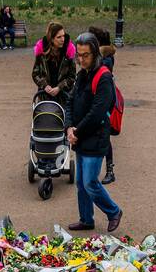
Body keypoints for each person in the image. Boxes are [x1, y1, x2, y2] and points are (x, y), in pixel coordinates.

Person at [67, 32, 121, 233]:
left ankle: (113, 211)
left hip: (95, 138)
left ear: (95, 53)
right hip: (80, 137)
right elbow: (70, 101)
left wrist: (76, 131)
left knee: (90, 182)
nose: (81, 59)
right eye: (78, 55)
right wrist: (68, 126)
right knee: (81, 183)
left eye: (85, 55)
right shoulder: (82, 74)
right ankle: (86, 219)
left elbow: (97, 112)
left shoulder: (104, 77)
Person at [89, 24, 117, 185]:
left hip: (104, 99)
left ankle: (110, 171)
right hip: (97, 97)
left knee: (104, 133)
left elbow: (100, 74)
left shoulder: (105, 58)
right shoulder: (101, 55)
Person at [33, 22, 76, 103]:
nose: (63, 39)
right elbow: (35, 74)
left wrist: (59, 87)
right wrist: (44, 86)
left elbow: (72, 76)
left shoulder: (68, 52)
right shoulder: (41, 52)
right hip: (45, 97)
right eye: (59, 37)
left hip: (64, 97)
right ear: (51, 39)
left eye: (63, 35)